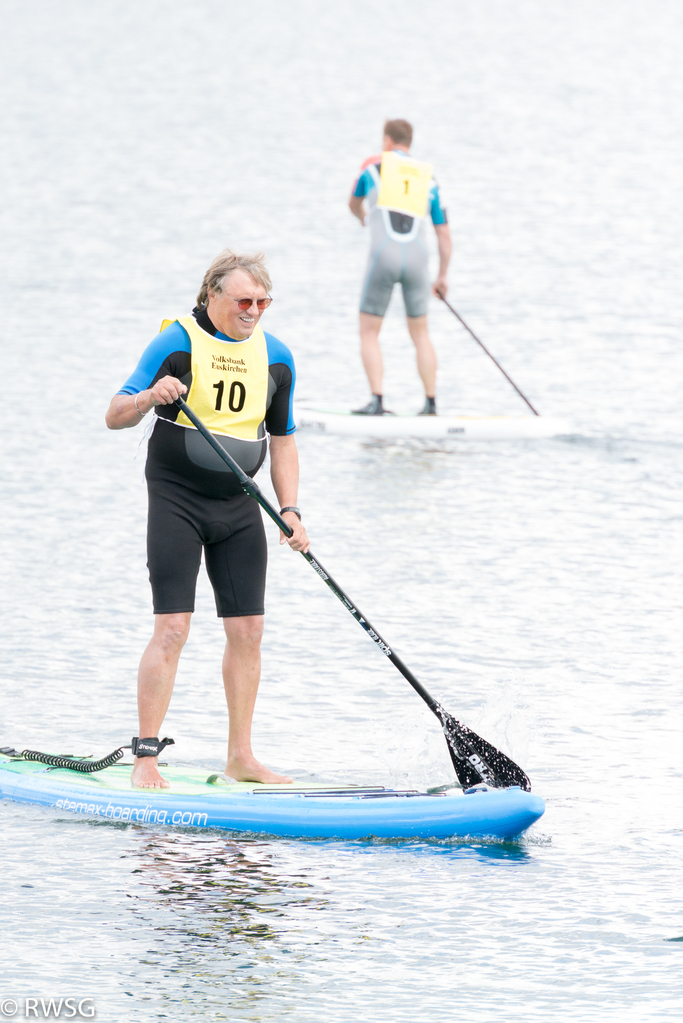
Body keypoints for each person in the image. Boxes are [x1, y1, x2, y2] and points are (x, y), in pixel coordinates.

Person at [105, 249, 309, 789]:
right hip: (176, 498)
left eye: (264, 302)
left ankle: (241, 756)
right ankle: (145, 758)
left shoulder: (277, 357)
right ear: (212, 295)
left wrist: (290, 509)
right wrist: (151, 395)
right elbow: (115, 415)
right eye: (244, 300)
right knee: (173, 628)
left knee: (249, 630)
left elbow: (284, 438)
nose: (254, 311)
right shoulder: (176, 342)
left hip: (240, 506)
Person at [349, 118, 452, 415]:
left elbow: (353, 203)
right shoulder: (429, 178)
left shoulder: (372, 166)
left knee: (369, 331)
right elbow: (444, 235)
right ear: (409, 142)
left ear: (386, 141)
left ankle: (377, 401)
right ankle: (431, 404)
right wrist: (442, 276)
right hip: (419, 261)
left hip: (383, 257)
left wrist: (362, 217)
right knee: (421, 333)